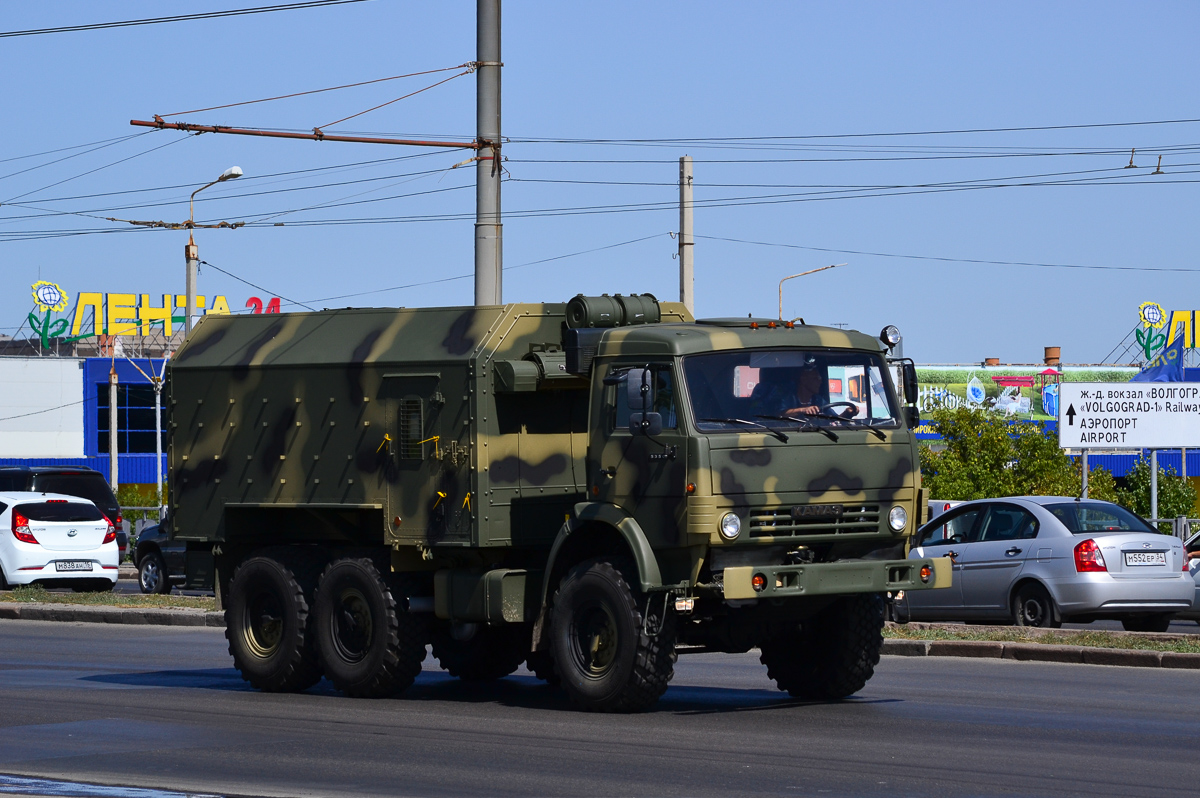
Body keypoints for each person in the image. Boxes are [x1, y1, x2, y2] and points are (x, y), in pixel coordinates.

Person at [751, 366, 825, 417]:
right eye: (816, 378)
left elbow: (832, 416)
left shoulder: (818, 400)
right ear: (803, 379)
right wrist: (803, 410)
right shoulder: (787, 396)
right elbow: (780, 413)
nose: (820, 381)